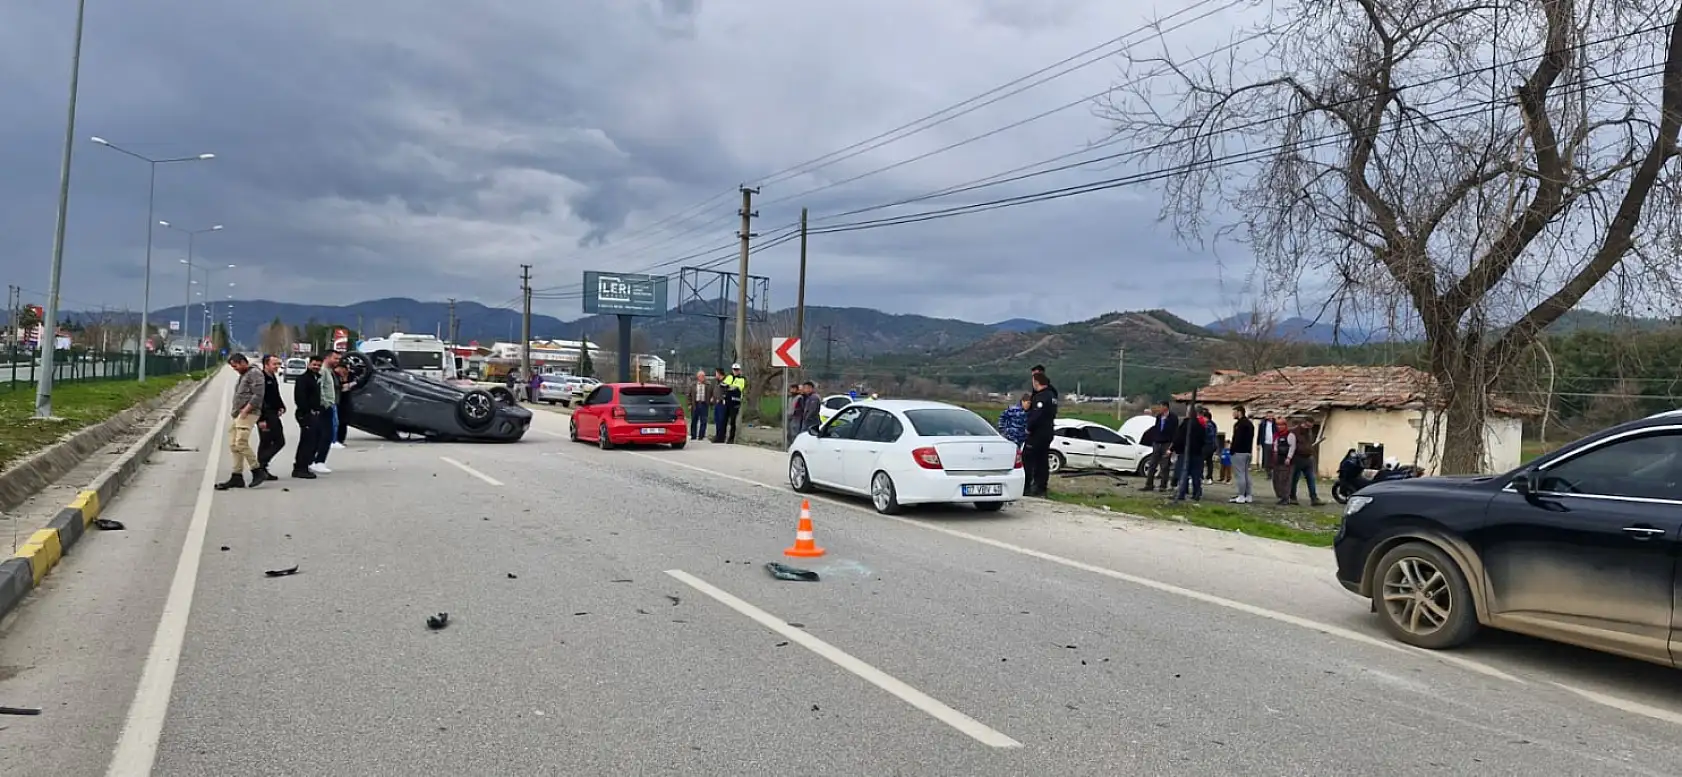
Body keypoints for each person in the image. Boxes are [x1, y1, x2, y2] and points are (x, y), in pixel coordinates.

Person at [215, 353, 268, 491]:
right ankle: (236, 476)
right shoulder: (244, 374)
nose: (235, 369)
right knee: (233, 444)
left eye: (236, 365)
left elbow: (258, 394)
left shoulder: (255, 373)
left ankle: (257, 471)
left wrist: (246, 409)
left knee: (241, 443)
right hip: (239, 414)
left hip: (249, 413)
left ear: (243, 362)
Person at [1022, 372, 1059, 497]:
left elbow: (1037, 414)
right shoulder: (1052, 396)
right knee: (1042, 460)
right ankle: (1041, 488)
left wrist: (1028, 428)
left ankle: (1026, 487)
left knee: (1028, 458)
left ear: (1037, 382)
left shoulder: (1041, 397)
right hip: (1048, 432)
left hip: (1038, 433)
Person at [310, 351, 343, 474]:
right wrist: (324, 403)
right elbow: (319, 387)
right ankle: (319, 462)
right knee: (326, 435)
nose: (337, 361)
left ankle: (315, 461)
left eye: (339, 359)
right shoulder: (323, 371)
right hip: (325, 406)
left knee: (323, 434)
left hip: (329, 404)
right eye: (335, 358)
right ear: (327, 358)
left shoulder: (329, 371)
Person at [291, 355, 324, 480]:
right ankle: (300, 468)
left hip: (315, 413)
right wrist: (308, 411)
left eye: (319, 365)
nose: (316, 367)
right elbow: (299, 398)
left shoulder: (316, 378)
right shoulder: (303, 379)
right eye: (314, 364)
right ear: (309, 364)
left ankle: (306, 463)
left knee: (316, 440)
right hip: (306, 414)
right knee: (307, 442)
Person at [255, 354, 287, 479]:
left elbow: (275, 394)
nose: (277, 367)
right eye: (274, 364)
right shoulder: (261, 378)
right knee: (274, 441)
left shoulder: (272, 377)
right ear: (266, 364)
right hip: (265, 415)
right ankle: (260, 465)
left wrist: (281, 405)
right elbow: (259, 400)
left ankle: (262, 468)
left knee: (268, 442)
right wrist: (261, 419)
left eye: (278, 364)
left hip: (273, 413)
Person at [1140, 400, 1178, 491]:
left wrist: (1172, 446)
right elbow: (1156, 428)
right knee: (1152, 464)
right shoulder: (1158, 417)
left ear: (1165, 407)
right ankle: (1149, 484)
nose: (1159, 408)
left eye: (1161, 406)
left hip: (1167, 443)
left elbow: (1175, 432)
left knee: (1165, 465)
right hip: (1157, 442)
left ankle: (1163, 485)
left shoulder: (1173, 418)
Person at [1172, 408, 1209, 502]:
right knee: (1196, 474)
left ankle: (1181, 493)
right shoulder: (1201, 426)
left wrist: (1175, 449)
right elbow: (1204, 440)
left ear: (1188, 414)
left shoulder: (1185, 425)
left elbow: (1178, 438)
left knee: (1183, 473)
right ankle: (1196, 494)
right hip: (1197, 453)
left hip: (1186, 452)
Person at [1289, 418, 1325, 506]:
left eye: (1311, 426)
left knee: (1311, 478)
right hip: (1298, 458)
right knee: (1295, 479)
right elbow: (1292, 446)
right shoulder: (1294, 432)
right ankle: (1292, 497)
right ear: (1303, 423)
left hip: (1308, 458)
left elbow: (1309, 443)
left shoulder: (1309, 432)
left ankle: (1314, 498)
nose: (1309, 427)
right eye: (1308, 425)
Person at [1228, 405, 1256, 503]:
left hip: (1239, 452)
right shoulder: (1250, 424)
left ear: (1239, 412)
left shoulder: (1239, 424)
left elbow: (1237, 439)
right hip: (1248, 452)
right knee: (1246, 474)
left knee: (1240, 475)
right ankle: (1248, 495)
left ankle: (1241, 495)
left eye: (1234, 412)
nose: (1233, 414)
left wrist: (1232, 450)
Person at [717, 363, 746, 444]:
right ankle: (721, 438)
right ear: (732, 369)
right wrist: (729, 386)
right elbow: (722, 385)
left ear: (739, 370)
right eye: (734, 369)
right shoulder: (729, 376)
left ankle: (731, 439)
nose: (735, 371)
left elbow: (738, 388)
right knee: (724, 420)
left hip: (735, 402)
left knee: (732, 421)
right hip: (727, 401)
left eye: (737, 370)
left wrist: (729, 386)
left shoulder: (742, 379)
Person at [686, 370, 712, 441]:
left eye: (704, 376)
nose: (703, 377)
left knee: (704, 421)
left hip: (704, 404)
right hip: (695, 404)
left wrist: (711, 399)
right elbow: (688, 395)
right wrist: (689, 404)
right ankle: (693, 435)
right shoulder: (693, 385)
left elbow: (712, 393)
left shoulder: (708, 384)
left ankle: (701, 436)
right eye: (702, 376)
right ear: (698, 377)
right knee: (694, 420)